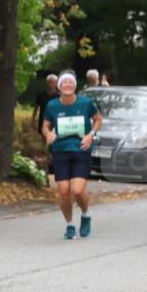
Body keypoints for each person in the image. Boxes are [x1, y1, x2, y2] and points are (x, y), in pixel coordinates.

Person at [42, 70, 103, 240]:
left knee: (77, 191)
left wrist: (91, 134)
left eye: (70, 82)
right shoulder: (52, 105)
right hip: (60, 150)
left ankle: (85, 214)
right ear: (59, 86)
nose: (67, 85)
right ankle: (69, 225)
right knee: (63, 191)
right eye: (64, 82)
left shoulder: (86, 103)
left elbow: (98, 119)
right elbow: (45, 126)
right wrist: (48, 134)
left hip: (81, 148)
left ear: (75, 85)